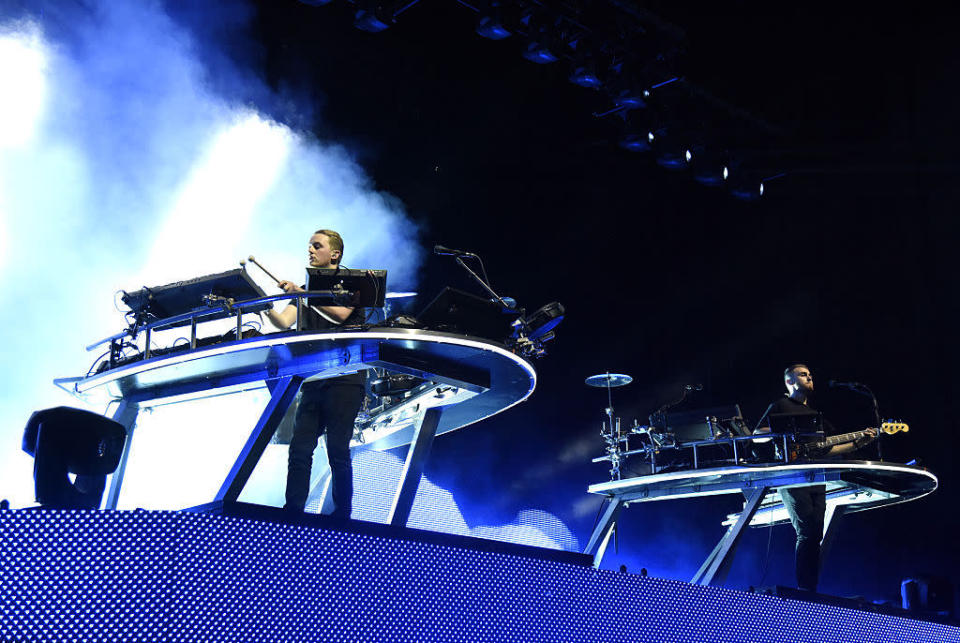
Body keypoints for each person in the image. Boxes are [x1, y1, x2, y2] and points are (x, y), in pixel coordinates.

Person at [264, 229, 365, 519]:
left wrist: (302, 294)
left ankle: (342, 514)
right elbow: (284, 322)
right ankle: (293, 510)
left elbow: (340, 316)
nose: (309, 250)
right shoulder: (307, 290)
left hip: (345, 378)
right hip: (314, 380)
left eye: (316, 245)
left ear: (335, 254)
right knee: (299, 448)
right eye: (309, 245)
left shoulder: (351, 284)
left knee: (337, 448)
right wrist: (266, 305)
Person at [754, 363, 876, 592]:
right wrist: (783, 433)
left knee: (815, 533)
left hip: (817, 477)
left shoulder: (815, 414)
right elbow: (755, 437)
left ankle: (810, 588)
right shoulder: (780, 405)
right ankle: (806, 590)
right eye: (803, 374)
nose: (809, 377)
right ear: (789, 381)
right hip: (791, 476)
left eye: (810, 374)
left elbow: (828, 449)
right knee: (807, 531)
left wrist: (858, 442)